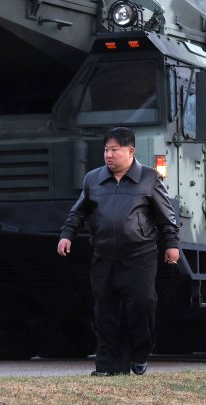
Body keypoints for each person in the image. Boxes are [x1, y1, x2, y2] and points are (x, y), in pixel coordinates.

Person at [57, 127, 179, 376]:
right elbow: (79, 211)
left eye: (114, 150)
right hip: (104, 255)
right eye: (106, 150)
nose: (108, 155)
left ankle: (140, 352)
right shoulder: (93, 179)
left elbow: (166, 216)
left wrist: (172, 244)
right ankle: (107, 366)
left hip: (140, 255)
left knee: (141, 304)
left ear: (130, 151)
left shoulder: (149, 178)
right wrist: (66, 235)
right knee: (105, 309)